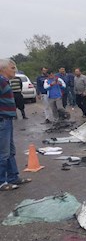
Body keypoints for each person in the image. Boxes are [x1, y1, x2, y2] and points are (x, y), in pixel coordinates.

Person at [0, 58, 32, 191]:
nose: (15, 70)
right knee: (3, 153)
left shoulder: (5, 81)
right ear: (3, 68)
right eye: (13, 68)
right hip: (2, 121)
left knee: (11, 151)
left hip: (7, 120)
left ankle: (13, 177)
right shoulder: (1, 81)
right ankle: (2, 182)